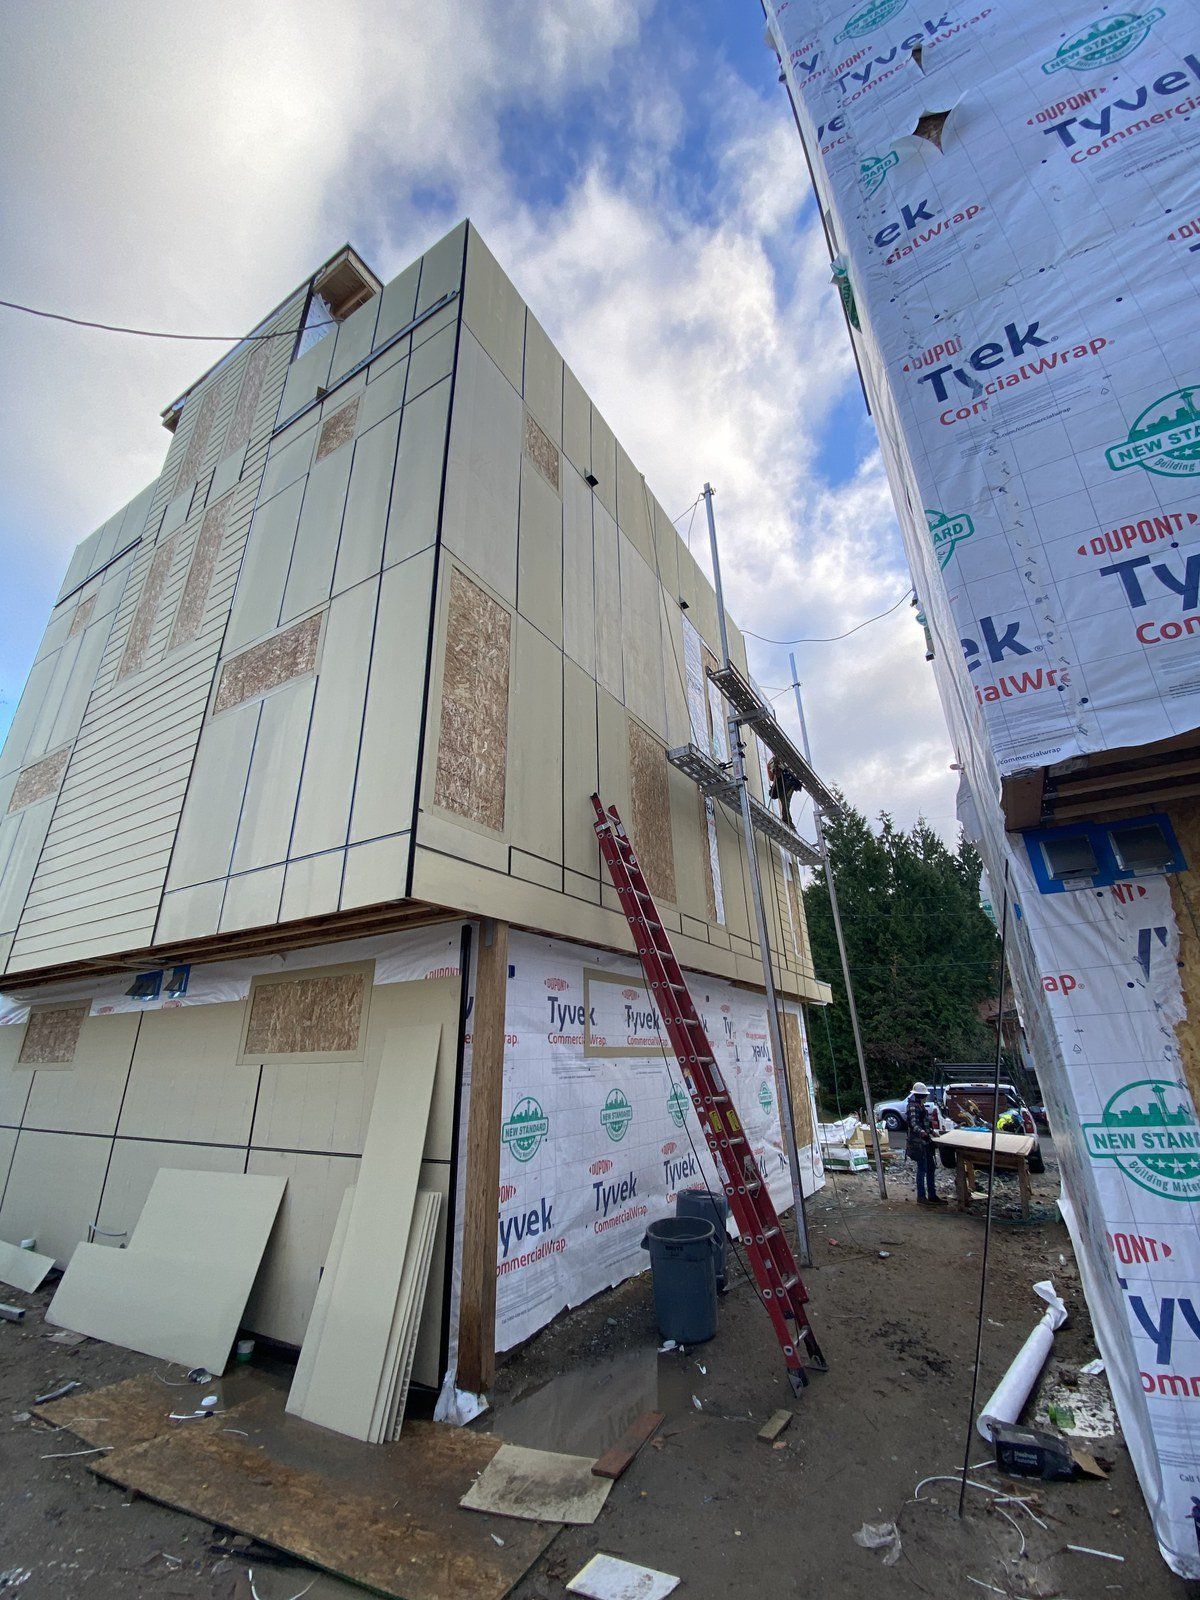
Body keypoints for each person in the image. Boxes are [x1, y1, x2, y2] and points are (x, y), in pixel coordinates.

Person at [905, 1081, 943, 1204]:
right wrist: (922, 1132)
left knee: (931, 1167)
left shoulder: (921, 1106)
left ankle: (932, 1195)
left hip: (925, 1141)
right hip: (917, 1142)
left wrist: (931, 1131)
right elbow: (913, 1123)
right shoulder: (912, 1106)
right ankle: (921, 1196)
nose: (926, 1097)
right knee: (922, 1169)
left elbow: (924, 1124)